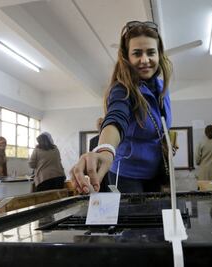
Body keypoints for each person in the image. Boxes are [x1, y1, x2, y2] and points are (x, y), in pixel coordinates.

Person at [71, 20, 173, 194]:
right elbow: (116, 117)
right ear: (127, 57)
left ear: (159, 54)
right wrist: (106, 150)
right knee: (134, 220)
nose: (145, 60)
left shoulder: (162, 87)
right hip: (126, 175)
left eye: (151, 52)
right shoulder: (122, 89)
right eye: (137, 53)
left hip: (156, 172)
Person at [89, 117, 109, 192]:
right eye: (99, 124)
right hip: (97, 170)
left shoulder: (110, 139)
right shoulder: (93, 140)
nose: (101, 125)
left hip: (109, 169)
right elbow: (91, 154)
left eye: (102, 123)